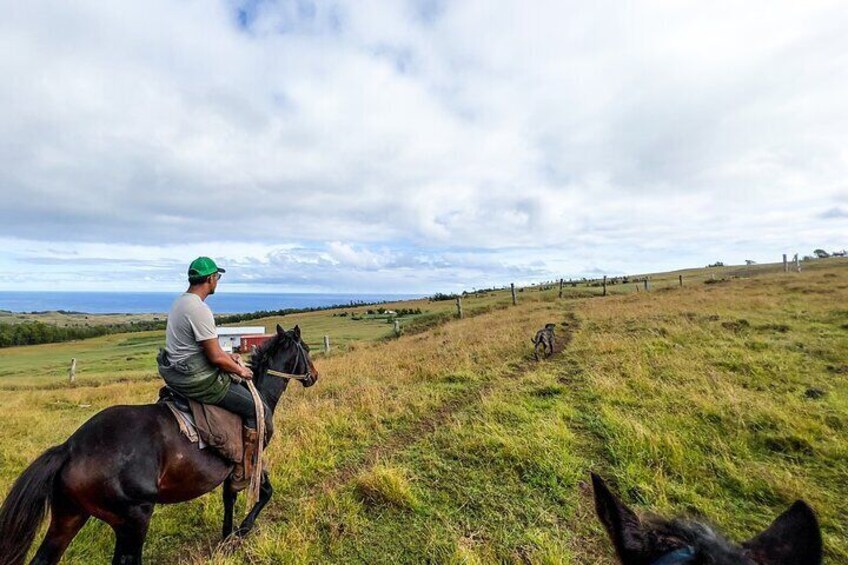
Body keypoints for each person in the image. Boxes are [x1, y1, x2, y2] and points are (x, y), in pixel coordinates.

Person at [157, 256, 264, 488]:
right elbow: (215, 357)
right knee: (256, 409)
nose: (218, 281)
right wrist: (240, 370)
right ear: (209, 279)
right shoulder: (199, 309)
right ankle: (243, 469)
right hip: (197, 379)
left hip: (177, 373)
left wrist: (230, 356)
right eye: (217, 277)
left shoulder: (181, 302)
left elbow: (208, 349)